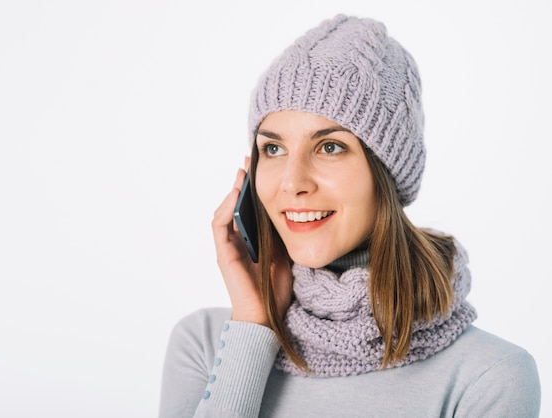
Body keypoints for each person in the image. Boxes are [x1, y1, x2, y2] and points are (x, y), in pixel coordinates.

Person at [158, 14, 541, 417]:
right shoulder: (206, 344)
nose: (291, 183)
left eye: (329, 147)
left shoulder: (489, 376)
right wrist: (254, 326)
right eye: (272, 149)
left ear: (386, 172)